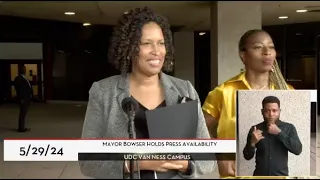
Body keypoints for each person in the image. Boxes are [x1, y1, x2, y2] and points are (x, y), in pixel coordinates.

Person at [79, 7, 214, 179]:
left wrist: (186, 165)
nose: (156, 51)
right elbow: (87, 161)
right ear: (129, 49)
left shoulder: (184, 90)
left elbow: (207, 159)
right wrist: (137, 164)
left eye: (161, 43)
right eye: (146, 43)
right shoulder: (104, 92)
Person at [202, 29, 294, 178]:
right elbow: (198, 131)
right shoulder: (224, 92)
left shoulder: (288, 92)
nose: (267, 52)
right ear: (243, 55)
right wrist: (220, 156)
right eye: (258, 47)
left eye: (271, 47)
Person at [243, 96, 302, 176]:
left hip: (281, 176)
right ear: (262, 112)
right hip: (259, 176)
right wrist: (252, 143)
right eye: (267, 111)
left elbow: (298, 150)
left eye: (274, 111)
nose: (271, 114)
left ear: (279, 111)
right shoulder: (255, 129)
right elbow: (247, 156)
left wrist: (279, 133)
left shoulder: (289, 128)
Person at [13, 65, 32, 132]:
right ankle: (21, 128)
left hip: (26, 98)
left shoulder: (23, 78)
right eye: (24, 69)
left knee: (23, 113)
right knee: (22, 113)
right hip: (23, 99)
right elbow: (20, 90)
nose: (25, 70)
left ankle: (22, 126)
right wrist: (21, 99)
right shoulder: (19, 79)